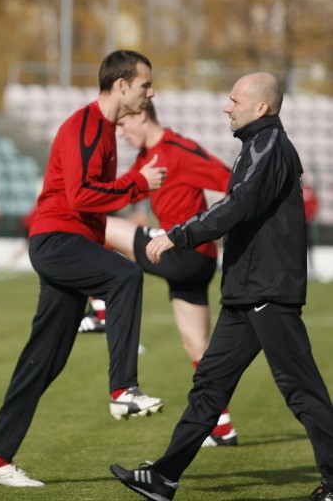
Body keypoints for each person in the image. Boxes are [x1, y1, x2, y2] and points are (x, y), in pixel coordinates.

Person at [111, 72, 333, 501]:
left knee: (302, 392)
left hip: (268, 293)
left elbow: (236, 206)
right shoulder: (256, 146)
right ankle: (163, 478)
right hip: (246, 293)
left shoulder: (269, 147)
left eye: (233, 100)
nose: (226, 107)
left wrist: (177, 234)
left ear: (261, 108)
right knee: (209, 387)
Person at [0, 50, 167, 488]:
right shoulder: (84, 125)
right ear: (121, 85)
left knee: (44, 361)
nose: (150, 92)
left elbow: (92, 194)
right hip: (57, 241)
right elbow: (80, 197)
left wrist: (134, 182)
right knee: (126, 275)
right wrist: (138, 184)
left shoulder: (106, 130)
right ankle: (123, 391)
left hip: (68, 244)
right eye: (144, 85)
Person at [89, 102, 240, 447]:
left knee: (98, 224)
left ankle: (100, 308)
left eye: (124, 125)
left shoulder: (179, 149)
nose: (122, 133)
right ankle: (222, 428)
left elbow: (234, 184)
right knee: (198, 348)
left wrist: (206, 227)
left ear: (142, 115)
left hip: (185, 251)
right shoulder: (145, 157)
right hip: (187, 264)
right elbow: (127, 190)